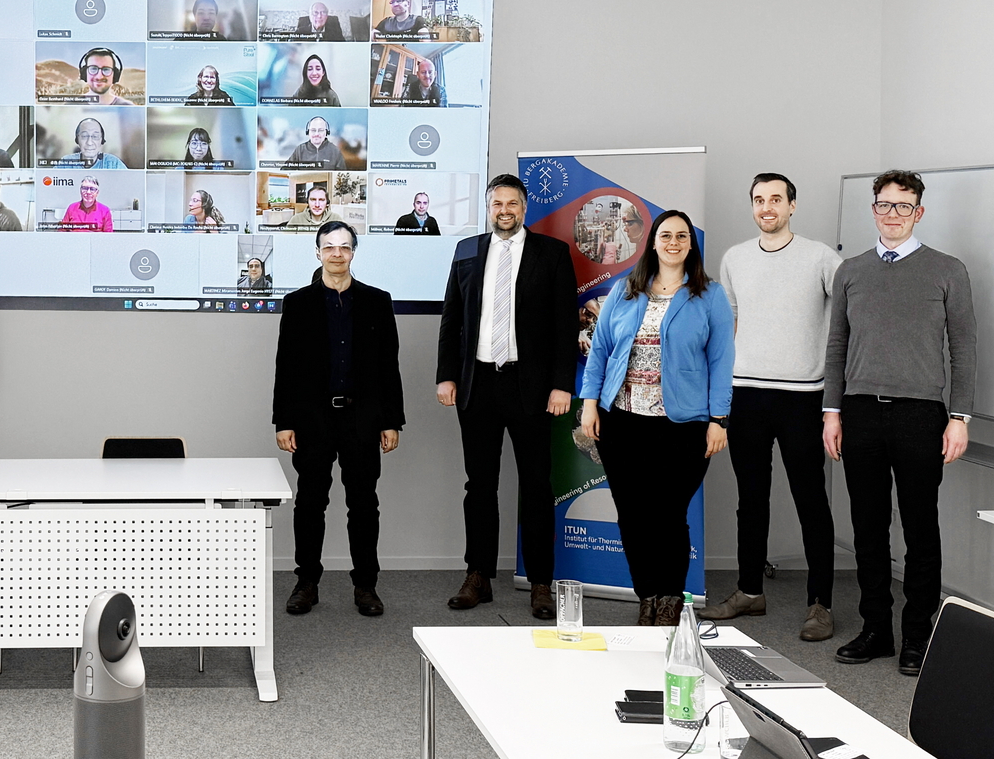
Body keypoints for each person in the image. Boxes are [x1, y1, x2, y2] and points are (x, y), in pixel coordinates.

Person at [822, 170, 975, 676]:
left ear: (919, 213)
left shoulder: (947, 270)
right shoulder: (851, 271)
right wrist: (832, 410)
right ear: (873, 210)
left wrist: (959, 417)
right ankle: (876, 631)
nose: (892, 214)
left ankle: (917, 635)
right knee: (867, 527)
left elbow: (964, 349)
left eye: (902, 206)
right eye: (884, 205)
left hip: (920, 415)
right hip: (861, 412)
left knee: (919, 527)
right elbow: (837, 346)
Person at [698, 174, 842, 642]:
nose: (767, 207)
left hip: (803, 397)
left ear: (792, 206)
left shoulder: (821, 258)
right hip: (746, 396)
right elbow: (730, 325)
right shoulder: (735, 258)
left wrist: (833, 400)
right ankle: (748, 591)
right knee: (751, 499)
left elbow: (846, 320)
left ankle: (820, 603)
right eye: (759, 200)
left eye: (775, 199)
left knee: (811, 500)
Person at [578, 209, 733, 626]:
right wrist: (590, 403)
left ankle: (670, 601)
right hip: (623, 422)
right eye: (666, 235)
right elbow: (600, 351)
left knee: (668, 516)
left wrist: (719, 420)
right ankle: (646, 596)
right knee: (631, 515)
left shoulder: (710, 295)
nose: (674, 242)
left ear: (690, 244)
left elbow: (722, 362)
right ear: (653, 241)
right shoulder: (626, 291)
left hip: (683, 426)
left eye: (682, 236)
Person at [435, 175, 578, 616]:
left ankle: (540, 583)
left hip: (531, 388)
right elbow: (451, 319)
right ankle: (478, 575)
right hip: (477, 385)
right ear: (488, 206)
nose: (504, 210)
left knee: (536, 486)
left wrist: (562, 385)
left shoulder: (552, 254)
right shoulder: (467, 251)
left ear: (524, 207)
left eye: (512, 203)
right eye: (497, 203)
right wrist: (446, 376)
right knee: (479, 485)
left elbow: (564, 325)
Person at [273, 221, 404, 618]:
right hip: (312, 420)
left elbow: (388, 367)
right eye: (329, 247)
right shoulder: (297, 304)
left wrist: (391, 421)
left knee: (364, 505)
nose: (336, 253)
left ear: (353, 253)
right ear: (317, 252)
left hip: (363, 419)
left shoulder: (378, 301)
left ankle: (366, 586)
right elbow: (286, 368)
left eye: (344, 247)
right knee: (310, 504)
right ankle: (306, 582)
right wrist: (284, 421)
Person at [284, 116, 348, 170]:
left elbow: (342, 176)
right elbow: (285, 170)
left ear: (327, 132)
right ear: (308, 132)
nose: (317, 134)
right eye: (313, 130)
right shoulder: (300, 150)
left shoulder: (335, 151)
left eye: (320, 130)